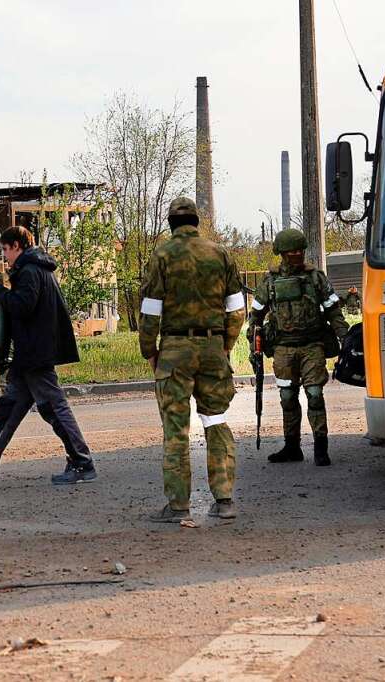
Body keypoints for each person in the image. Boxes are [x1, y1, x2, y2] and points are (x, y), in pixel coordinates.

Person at [0, 226, 96, 485]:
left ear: (17, 246)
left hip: (36, 353)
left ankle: (82, 462)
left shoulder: (30, 271)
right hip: (30, 353)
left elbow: (22, 306)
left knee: (54, 407)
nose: (5, 255)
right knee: (8, 409)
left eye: (6, 250)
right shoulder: (35, 269)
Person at [140, 197, 246, 523]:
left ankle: (177, 506)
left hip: (174, 350)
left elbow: (149, 312)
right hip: (214, 348)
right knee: (216, 420)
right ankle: (225, 499)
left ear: (170, 224)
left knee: (176, 430)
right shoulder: (220, 254)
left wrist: (151, 352)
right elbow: (237, 310)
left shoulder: (161, 255)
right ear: (196, 222)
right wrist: (225, 345)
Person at [248, 228, 350, 467]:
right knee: (287, 396)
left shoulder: (315, 277)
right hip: (283, 348)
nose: (297, 254)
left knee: (315, 394)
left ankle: (321, 447)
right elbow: (256, 315)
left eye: (300, 250)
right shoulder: (270, 281)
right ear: (282, 253)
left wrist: (345, 338)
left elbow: (334, 311)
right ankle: (292, 446)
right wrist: (254, 343)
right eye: (292, 250)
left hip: (312, 345)